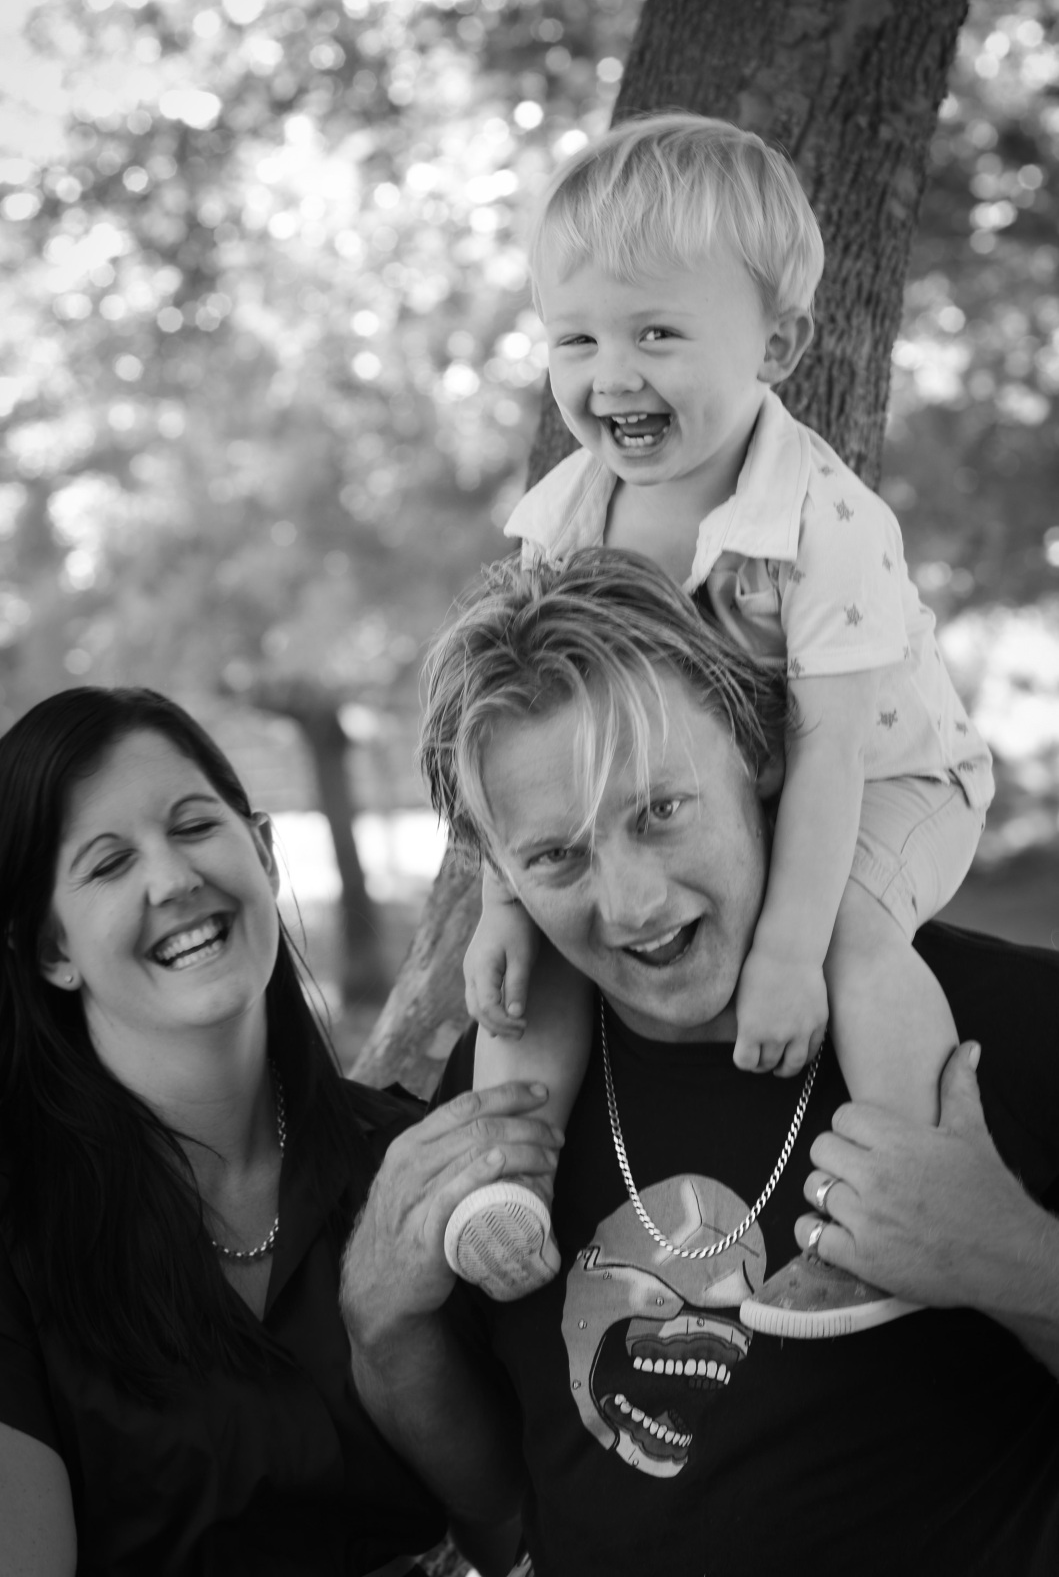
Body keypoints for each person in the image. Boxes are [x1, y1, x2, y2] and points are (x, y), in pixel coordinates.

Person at [341, 549, 1059, 1576]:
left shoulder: (1005, 1028)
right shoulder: (508, 1096)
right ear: (499, 872)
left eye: (659, 812)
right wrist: (380, 1317)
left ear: (757, 755)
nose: (631, 903)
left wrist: (1014, 1258)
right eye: (558, 856)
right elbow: (494, 1506)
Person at [449, 114, 994, 1336]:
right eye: (577, 338)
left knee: (858, 936)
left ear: (778, 344)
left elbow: (834, 748)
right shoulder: (566, 522)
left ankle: (895, 1216)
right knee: (551, 941)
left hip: (895, 779)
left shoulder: (824, 523)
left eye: (656, 334)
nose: (611, 376)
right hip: (741, 784)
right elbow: (524, 731)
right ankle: (507, 1175)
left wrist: (787, 953)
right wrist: (501, 904)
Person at [0, 685, 557, 1576]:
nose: (173, 879)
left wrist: (388, 1326)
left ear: (262, 851)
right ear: (52, 949)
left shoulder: (401, 1164)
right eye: (108, 865)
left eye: (193, 826)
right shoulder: (18, 1229)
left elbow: (506, 1532)